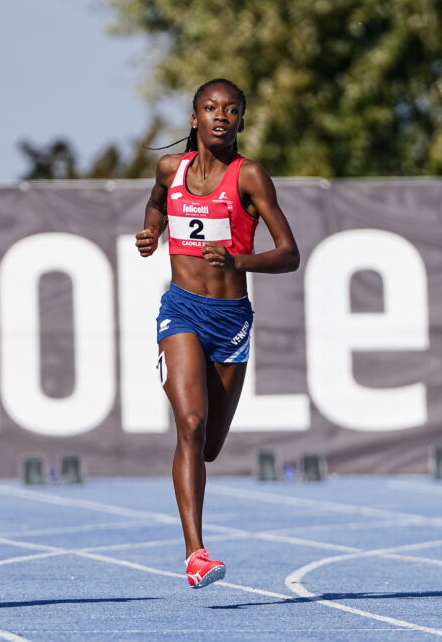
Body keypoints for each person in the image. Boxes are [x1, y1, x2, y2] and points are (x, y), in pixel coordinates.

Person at [135, 79, 299, 587]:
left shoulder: (248, 176)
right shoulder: (171, 168)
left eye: (231, 110)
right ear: (194, 119)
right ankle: (195, 553)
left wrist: (238, 259)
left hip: (231, 320)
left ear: (241, 121)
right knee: (190, 422)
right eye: (210, 108)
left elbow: (290, 253)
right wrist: (151, 232)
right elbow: (158, 202)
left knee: (208, 445)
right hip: (180, 310)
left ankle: (196, 517)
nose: (220, 116)